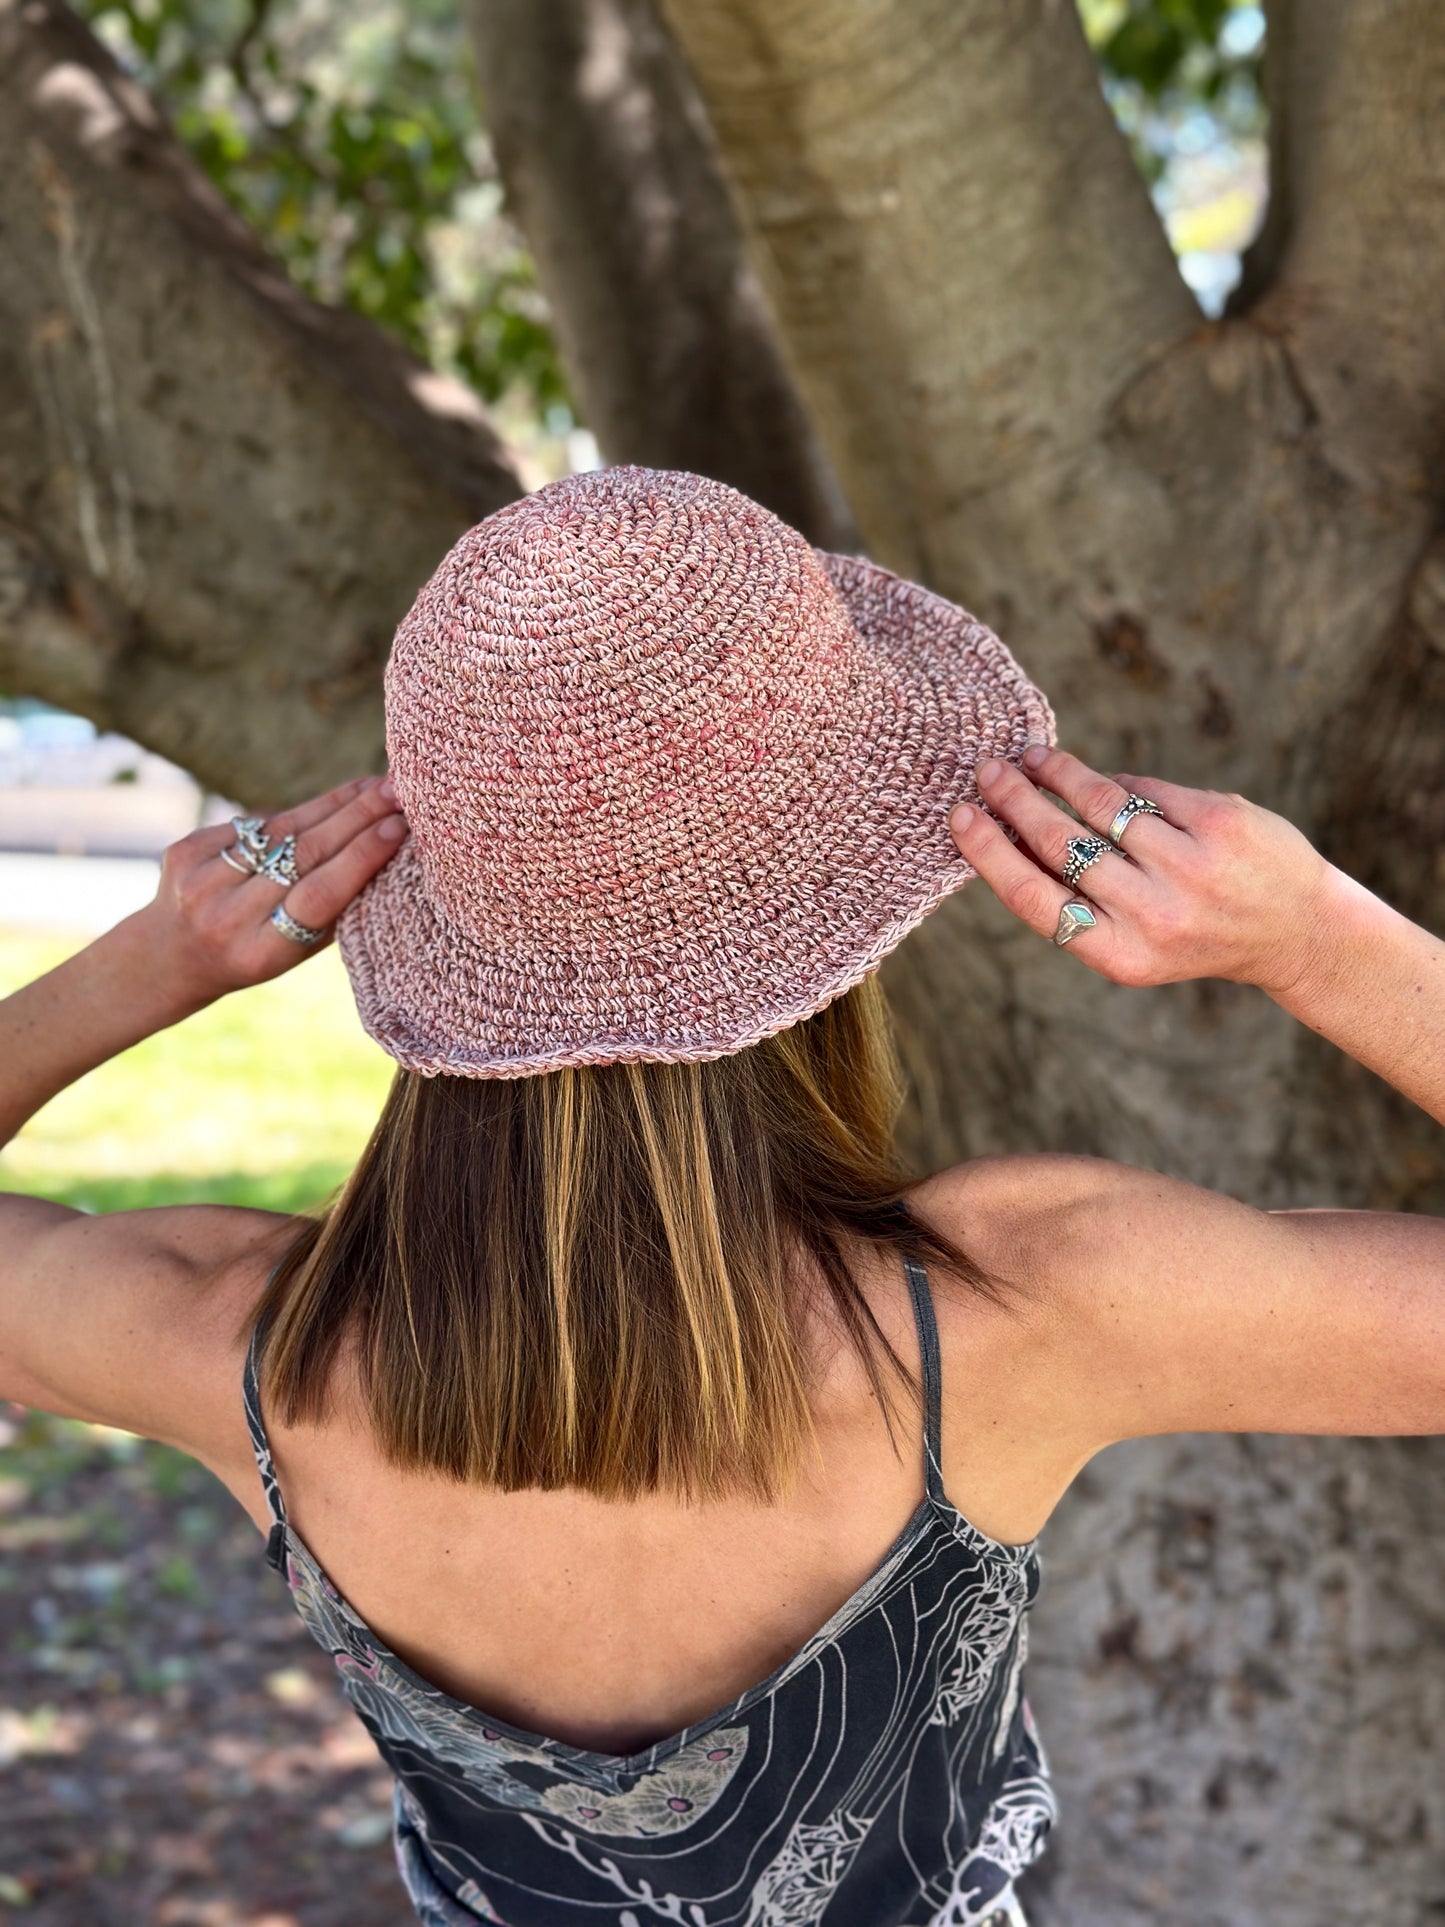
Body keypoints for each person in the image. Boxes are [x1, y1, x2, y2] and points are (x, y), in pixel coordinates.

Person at [1, 466, 1441, 1927]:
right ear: (849, 914)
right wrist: (1318, 940)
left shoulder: (242, 1349)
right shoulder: (1022, 1308)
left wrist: (141, 968)